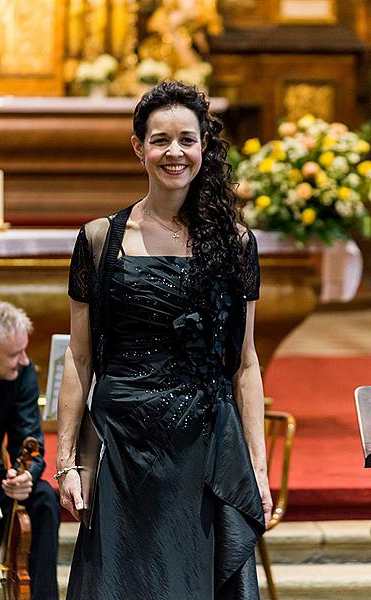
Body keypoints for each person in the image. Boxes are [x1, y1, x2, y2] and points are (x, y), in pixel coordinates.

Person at [57, 80, 272, 600]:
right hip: (121, 446)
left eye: (186, 140)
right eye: (160, 140)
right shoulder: (99, 239)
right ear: (139, 147)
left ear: (203, 148)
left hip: (204, 446)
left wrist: (258, 470)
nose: (174, 152)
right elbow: (80, 355)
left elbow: (244, 365)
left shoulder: (235, 242)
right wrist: (67, 460)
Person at [0, 301, 60, 600]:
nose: (24, 360)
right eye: (14, 354)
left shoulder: (21, 375)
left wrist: (26, 477)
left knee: (44, 498)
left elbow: (29, 439)